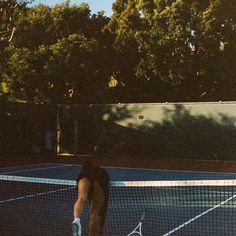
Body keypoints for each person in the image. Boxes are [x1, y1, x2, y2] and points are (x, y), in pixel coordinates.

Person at [72, 161, 110, 236]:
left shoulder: (83, 173)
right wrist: (101, 229)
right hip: (99, 181)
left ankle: (76, 220)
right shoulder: (102, 173)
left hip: (84, 179)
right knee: (95, 210)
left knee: (81, 199)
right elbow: (104, 207)